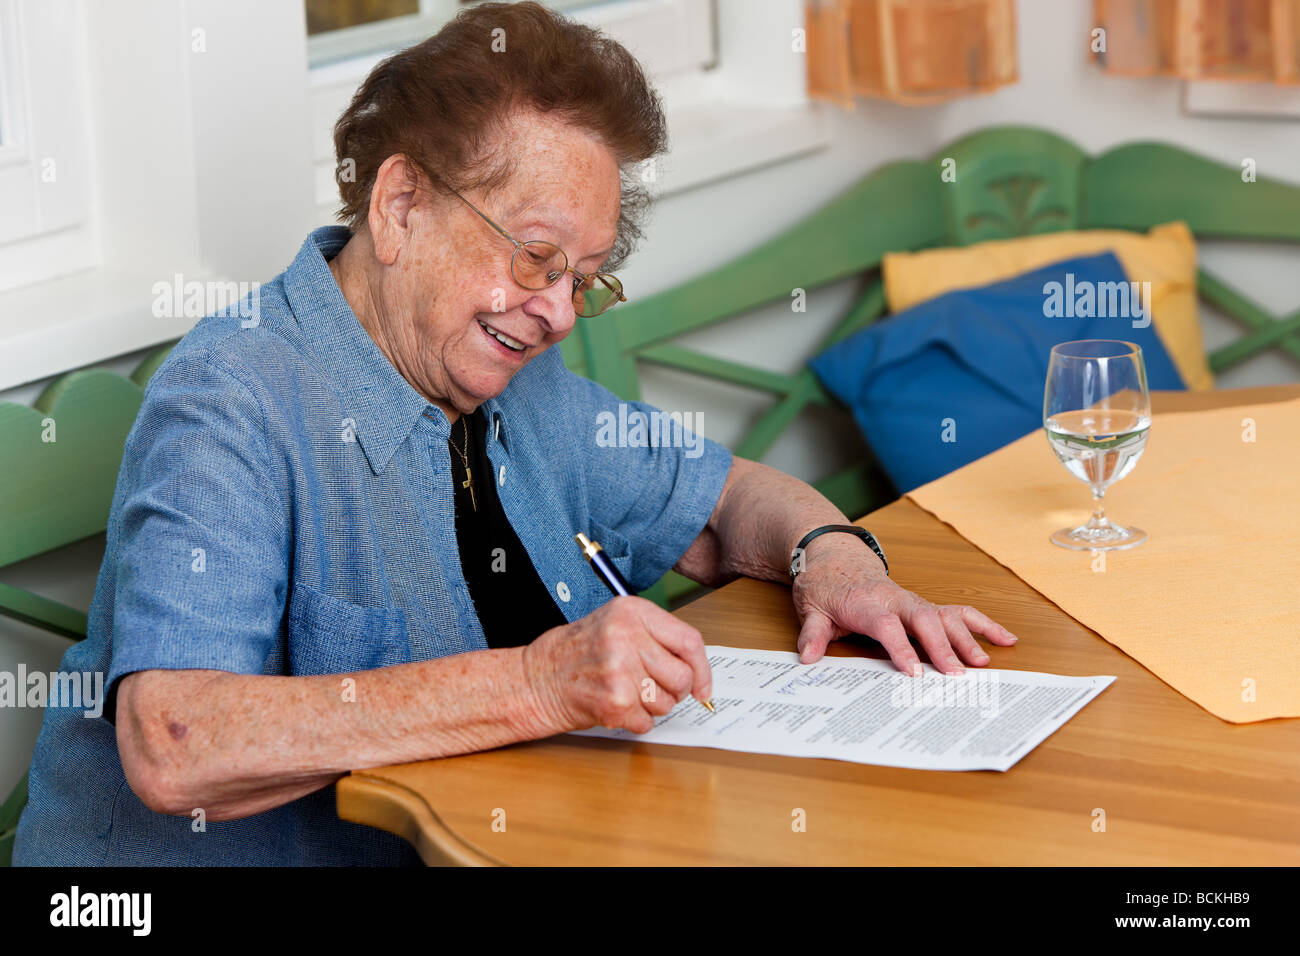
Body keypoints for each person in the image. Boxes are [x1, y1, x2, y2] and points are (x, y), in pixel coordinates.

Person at [15, 2, 1015, 866]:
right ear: (400, 203)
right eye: (535, 257)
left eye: (582, 277)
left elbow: (722, 502)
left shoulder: (505, 378)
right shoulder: (231, 396)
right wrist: (544, 681)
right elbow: (175, 741)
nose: (561, 312)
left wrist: (830, 555)